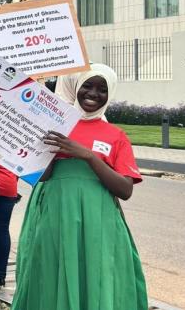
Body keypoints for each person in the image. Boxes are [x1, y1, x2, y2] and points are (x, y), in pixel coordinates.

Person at [13, 65, 148, 310]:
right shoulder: (56, 125)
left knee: (95, 272)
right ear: (76, 86)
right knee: (50, 270)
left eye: (102, 89)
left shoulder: (115, 135)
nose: (93, 93)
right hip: (55, 213)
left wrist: (88, 156)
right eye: (87, 85)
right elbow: (41, 176)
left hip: (98, 220)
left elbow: (125, 190)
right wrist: (45, 152)